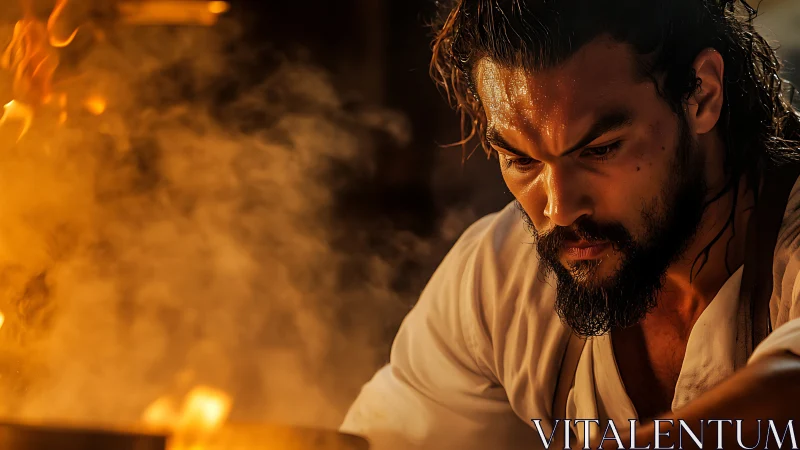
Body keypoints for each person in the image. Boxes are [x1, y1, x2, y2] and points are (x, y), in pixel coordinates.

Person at [340, 1, 800, 449]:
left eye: (600, 150)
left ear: (701, 94)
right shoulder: (501, 278)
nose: (559, 209)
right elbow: (391, 438)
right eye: (521, 160)